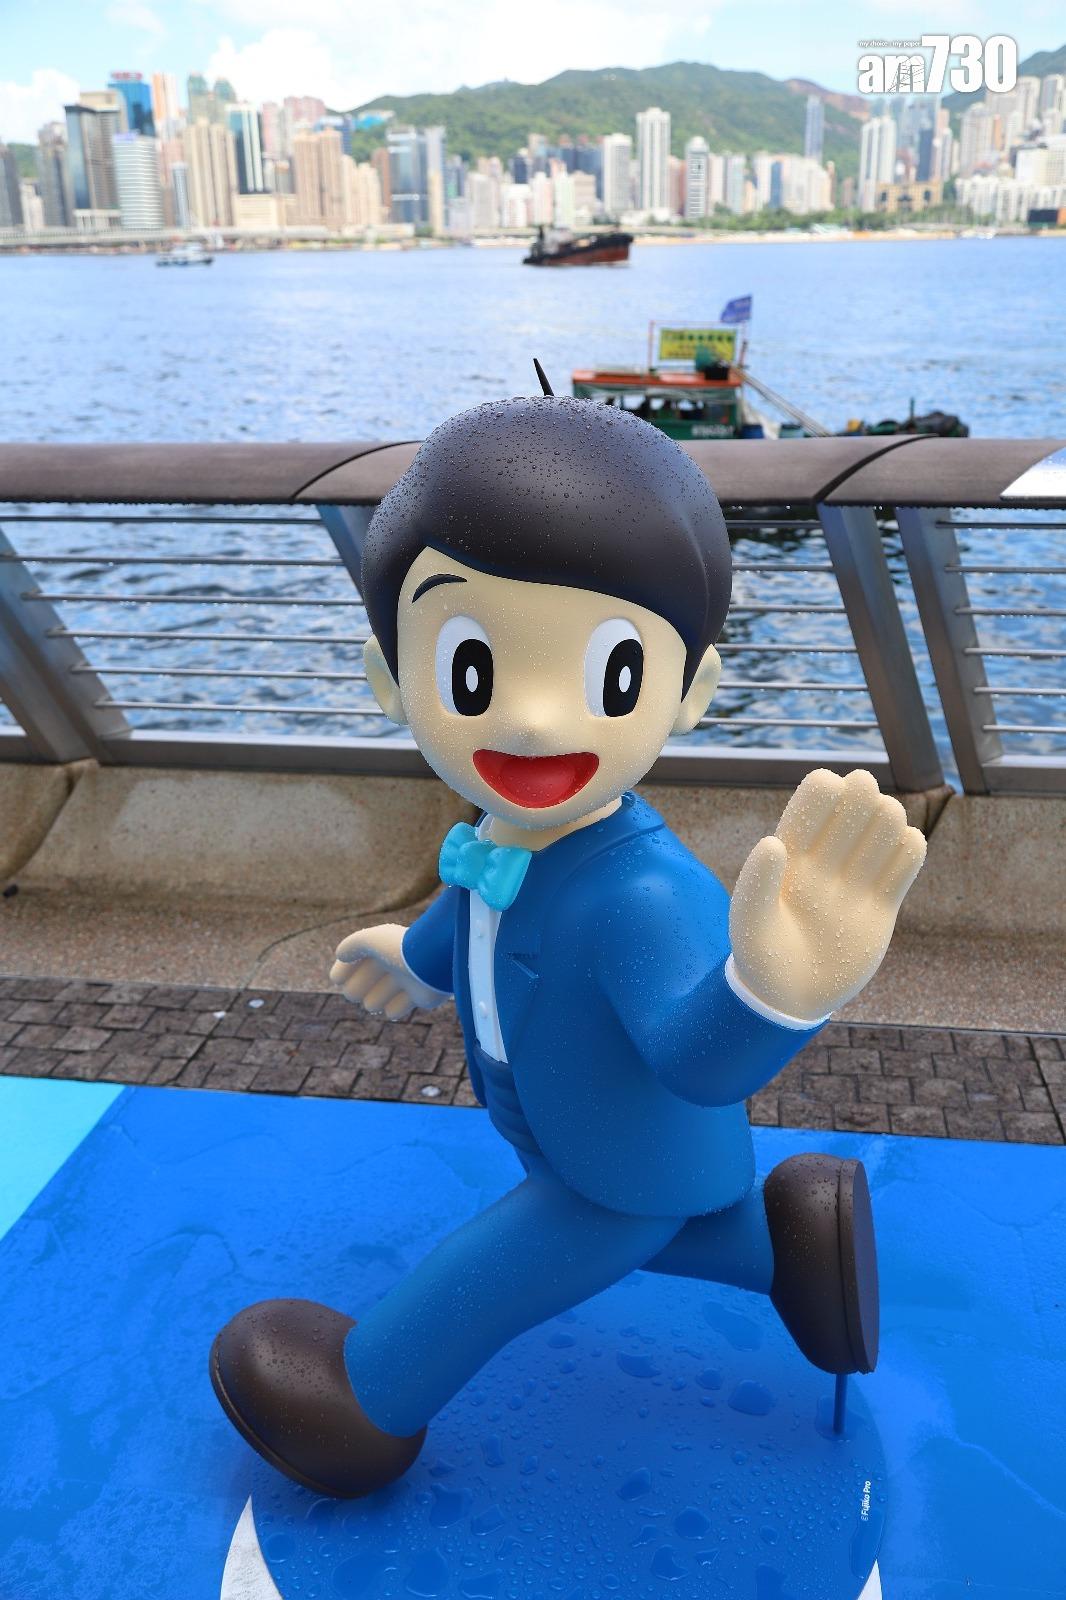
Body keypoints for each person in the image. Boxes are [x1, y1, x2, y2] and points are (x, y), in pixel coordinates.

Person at [210, 384, 926, 1498]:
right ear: (390, 677)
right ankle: (794, 1250)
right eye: (473, 669)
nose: (533, 719)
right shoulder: (499, 841)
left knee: (508, 1261)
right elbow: (477, 912)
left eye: (610, 675)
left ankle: (366, 1393)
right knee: (664, 1228)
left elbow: (695, 1063)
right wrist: (416, 957)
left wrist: (776, 991)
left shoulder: (643, 893)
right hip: (569, 1133)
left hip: (618, 1170)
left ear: (688, 692)